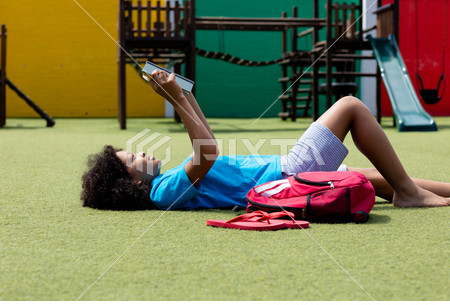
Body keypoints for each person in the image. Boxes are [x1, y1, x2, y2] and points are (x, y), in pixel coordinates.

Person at [81, 70, 450, 210]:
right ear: (130, 184)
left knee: (375, 177)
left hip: (286, 175)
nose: (141, 152)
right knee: (350, 107)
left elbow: (208, 141)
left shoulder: (167, 183)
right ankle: (409, 194)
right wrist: (177, 100)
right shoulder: (163, 192)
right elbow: (206, 155)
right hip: (287, 176)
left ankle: (417, 190)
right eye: (133, 159)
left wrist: (182, 96)